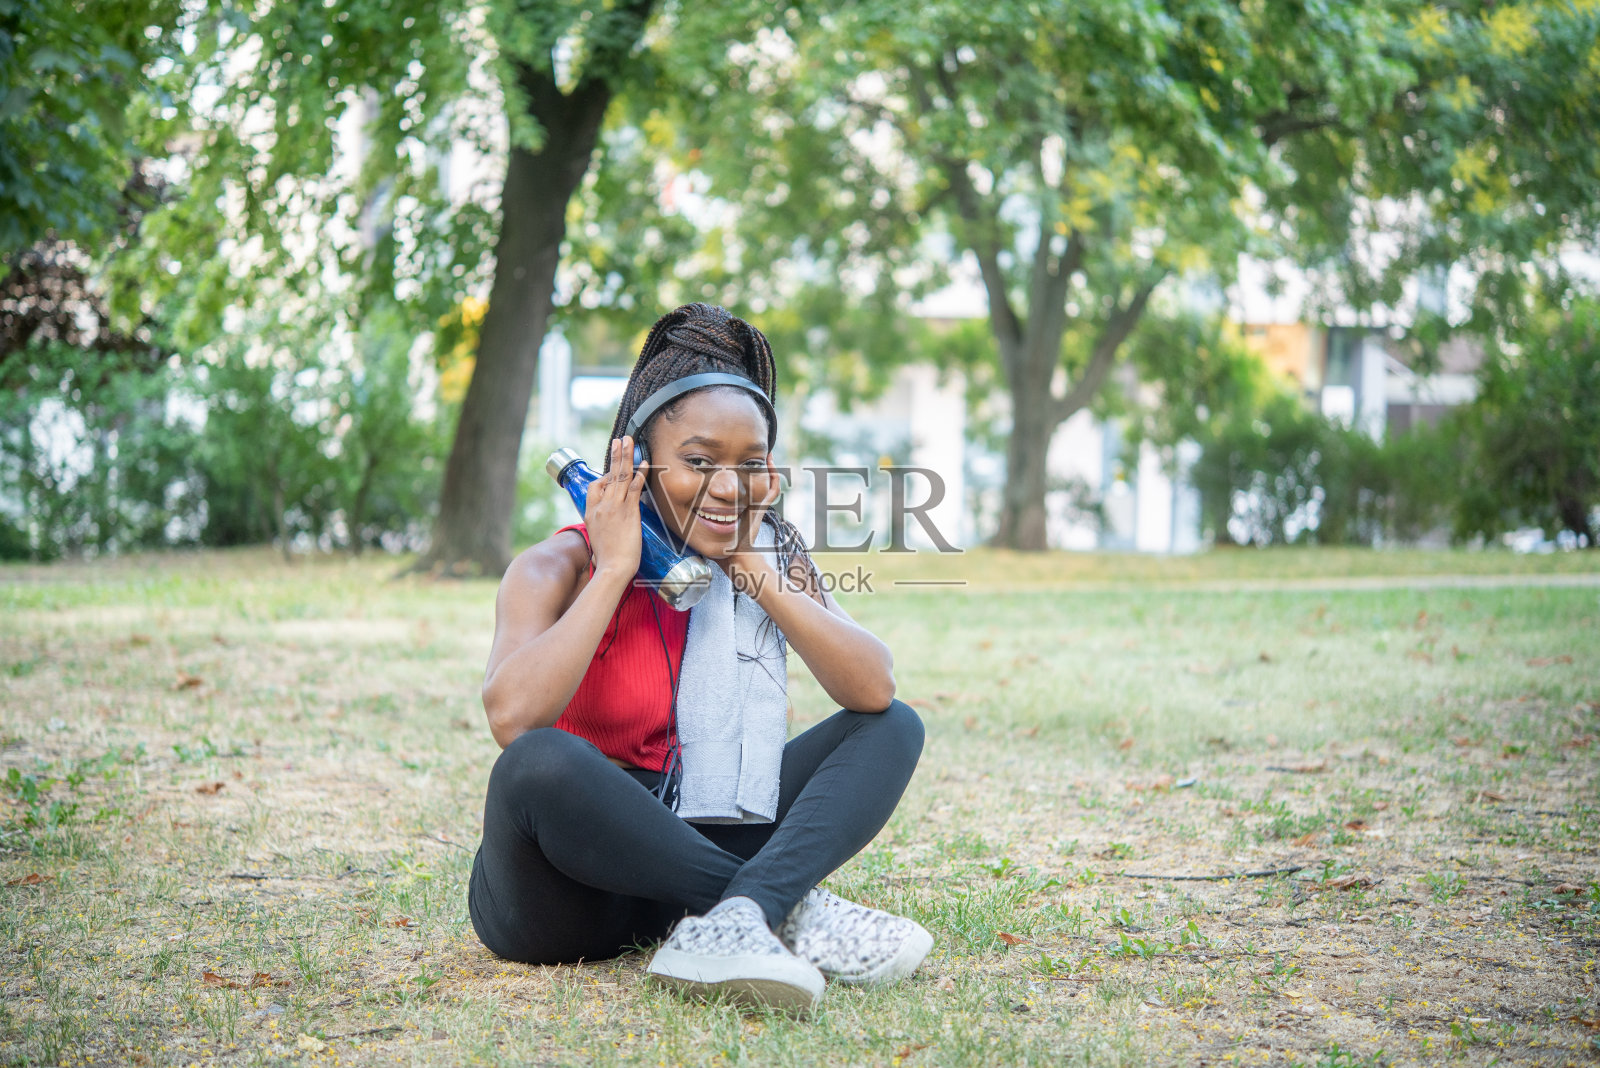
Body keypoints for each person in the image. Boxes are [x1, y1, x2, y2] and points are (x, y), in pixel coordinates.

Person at [468, 303, 930, 1012]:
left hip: (680, 876)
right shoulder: (555, 565)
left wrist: (750, 562)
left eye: (748, 465)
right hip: (565, 901)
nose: (725, 486)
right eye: (699, 461)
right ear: (637, 460)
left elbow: (872, 687)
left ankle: (735, 915)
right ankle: (783, 911)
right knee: (538, 762)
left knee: (892, 725)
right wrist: (617, 568)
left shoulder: (770, 556)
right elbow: (511, 719)